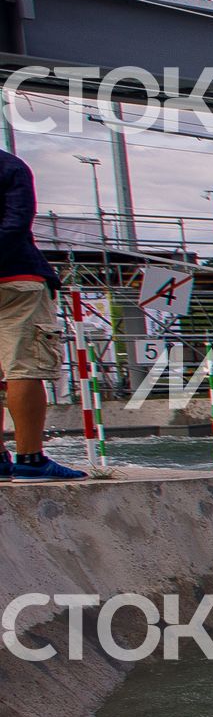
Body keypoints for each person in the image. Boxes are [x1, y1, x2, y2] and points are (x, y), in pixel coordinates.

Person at [1, 129, 87, 479]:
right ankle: (30, 459)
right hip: (18, 277)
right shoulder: (10, 167)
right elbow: (16, 223)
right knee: (25, 367)